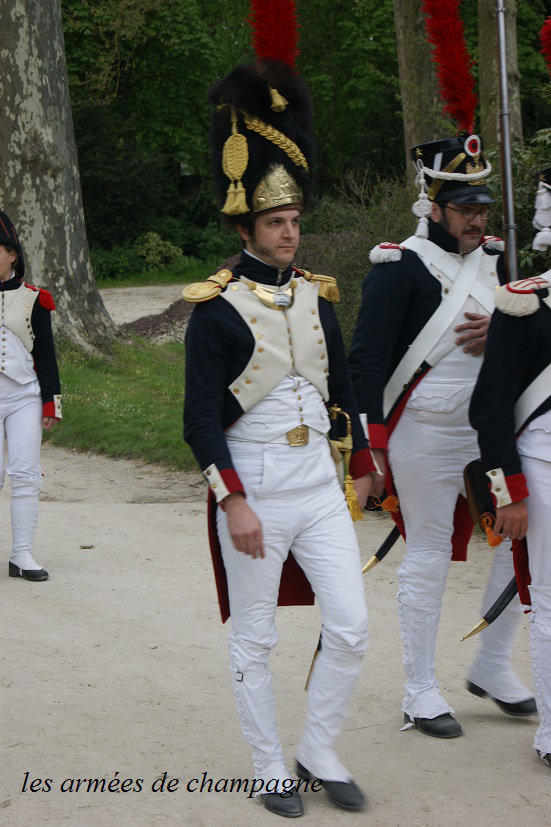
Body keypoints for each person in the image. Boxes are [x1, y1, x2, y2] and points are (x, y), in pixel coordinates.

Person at [183, 52, 375, 817]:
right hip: (255, 484)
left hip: (319, 487)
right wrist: (232, 500)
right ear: (245, 226)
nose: (290, 232)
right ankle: (269, 765)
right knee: (255, 637)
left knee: (352, 626)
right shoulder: (215, 310)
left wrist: (362, 461)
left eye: (294, 220)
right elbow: (199, 418)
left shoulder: (317, 296)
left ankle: (318, 749)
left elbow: (342, 389)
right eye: (275, 222)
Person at [348, 134, 536, 738]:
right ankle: (420, 689)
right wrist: (370, 446)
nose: (477, 220)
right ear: (432, 206)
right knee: (428, 554)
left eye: (482, 208)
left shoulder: (497, 262)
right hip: (422, 434)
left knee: (520, 543)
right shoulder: (399, 267)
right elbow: (366, 363)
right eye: (464, 209)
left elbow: (530, 339)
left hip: (490, 434)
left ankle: (490, 663)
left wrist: (502, 334)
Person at [470, 272, 551, 769]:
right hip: (543, 465)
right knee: (549, 601)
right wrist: (508, 493)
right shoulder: (525, 304)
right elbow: (491, 406)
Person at [0, 211, 62, 581]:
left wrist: (52, 401)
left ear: (12, 254)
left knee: (25, 474)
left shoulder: (36, 299)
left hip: (24, 396)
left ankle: (22, 554)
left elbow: (46, 354)